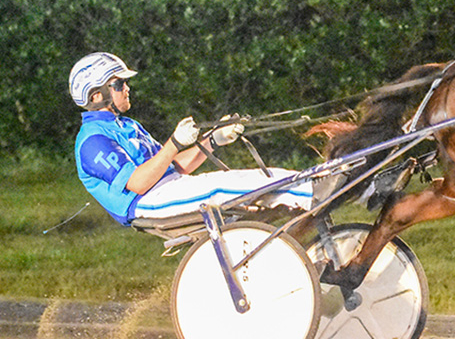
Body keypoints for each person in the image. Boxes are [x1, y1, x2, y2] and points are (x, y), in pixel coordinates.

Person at [70, 52, 313, 226]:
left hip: (171, 187)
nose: (127, 88)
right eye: (119, 83)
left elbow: (173, 166)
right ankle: (315, 193)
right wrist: (174, 142)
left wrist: (214, 140)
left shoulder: (126, 125)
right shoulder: (92, 141)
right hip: (147, 202)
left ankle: (310, 192)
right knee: (226, 187)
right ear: (95, 95)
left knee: (256, 178)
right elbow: (138, 183)